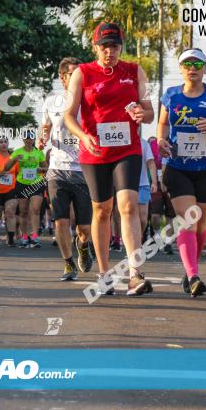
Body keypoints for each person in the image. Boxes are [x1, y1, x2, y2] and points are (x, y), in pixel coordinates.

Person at [64, 22, 155, 296]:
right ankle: (104, 273)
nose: (109, 51)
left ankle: (135, 273)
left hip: (128, 149)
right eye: (104, 46)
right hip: (94, 151)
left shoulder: (135, 71)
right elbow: (69, 115)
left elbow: (150, 111)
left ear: (120, 47)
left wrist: (143, 115)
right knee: (102, 210)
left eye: (114, 45)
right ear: (95, 47)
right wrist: (83, 135)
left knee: (128, 206)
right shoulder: (82, 73)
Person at [157, 48, 206, 297]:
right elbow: (162, 124)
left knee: (200, 225)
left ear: (204, 68)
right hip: (178, 169)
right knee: (189, 221)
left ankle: (192, 266)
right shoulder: (171, 96)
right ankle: (193, 275)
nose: (193, 68)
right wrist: (161, 140)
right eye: (187, 64)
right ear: (181, 69)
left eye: (197, 64)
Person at [39, 57, 93, 281]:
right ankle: (68, 263)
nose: (79, 77)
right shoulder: (52, 102)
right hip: (58, 170)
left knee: (84, 228)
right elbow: (45, 126)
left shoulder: (90, 100)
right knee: (60, 219)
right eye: (73, 73)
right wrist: (42, 138)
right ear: (63, 77)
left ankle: (82, 245)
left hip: (85, 171)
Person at [3, 132, 48, 248]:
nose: (29, 140)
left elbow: (46, 168)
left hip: (36, 184)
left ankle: (34, 237)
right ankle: (24, 237)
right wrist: (14, 160)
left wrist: (40, 169)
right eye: (26, 138)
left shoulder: (38, 153)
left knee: (35, 209)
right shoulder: (17, 152)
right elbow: (6, 168)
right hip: (22, 184)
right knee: (23, 211)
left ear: (34, 140)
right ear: (23, 139)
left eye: (31, 138)